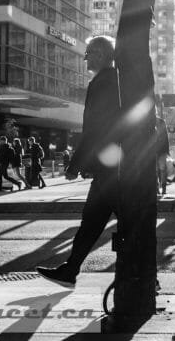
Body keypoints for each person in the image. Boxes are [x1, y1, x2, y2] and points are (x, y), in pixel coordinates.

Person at [36, 35, 121, 286]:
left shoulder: (102, 82)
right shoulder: (116, 80)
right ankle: (70, 269)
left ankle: (72, 270)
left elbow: (94, 128)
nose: (85, 58)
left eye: (90, 53)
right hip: (118, 166)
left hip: (111, 168)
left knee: (95, 222)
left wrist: (76, 164)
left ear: (104, 55)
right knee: (94, 222)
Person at [155, 114, 170, 195]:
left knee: (162, 169)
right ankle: (157, 188)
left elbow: (165, 136)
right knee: (157, 170)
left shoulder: (161, 121)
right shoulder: (150, 122)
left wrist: (167, 150)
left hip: (161, 150)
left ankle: (163, 188)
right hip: (153, 150)